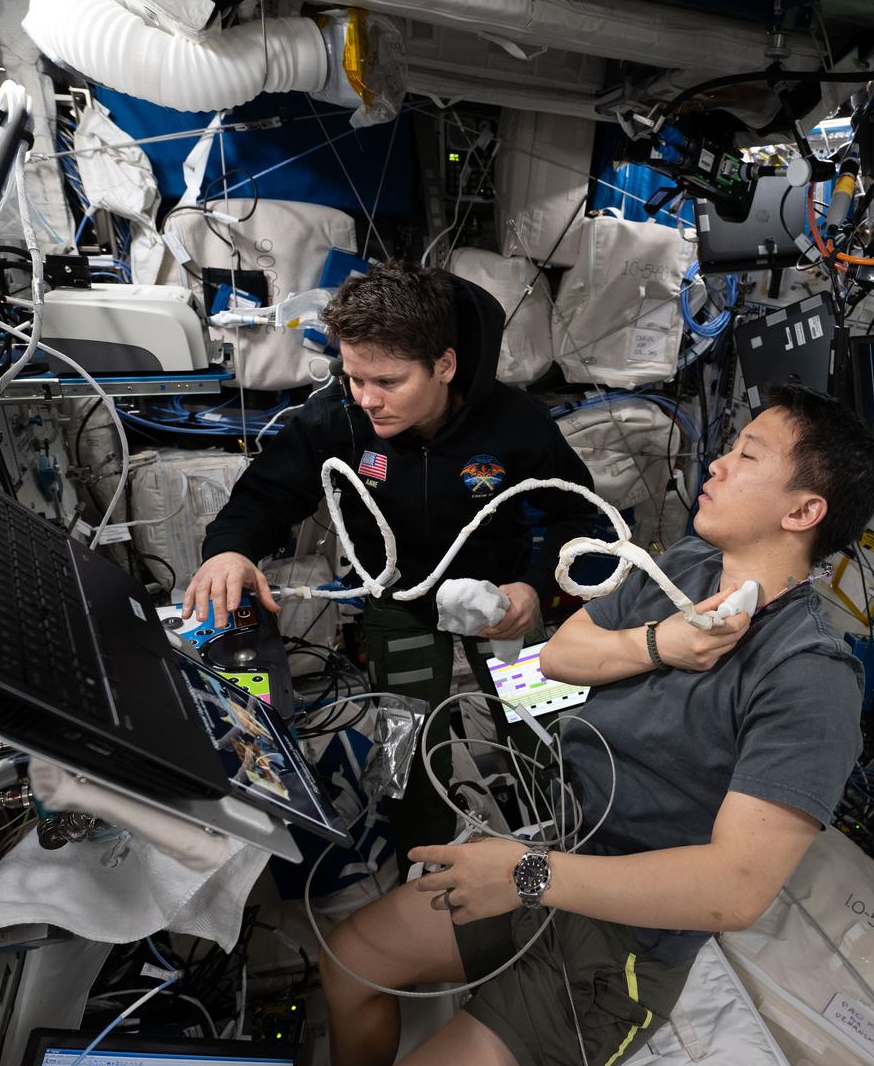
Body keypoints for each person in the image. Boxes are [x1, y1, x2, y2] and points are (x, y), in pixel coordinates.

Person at [300, 385, 874, 1066]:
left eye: (747, 454)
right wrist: (659, 644)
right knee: (350, 964)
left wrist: (525, 875)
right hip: (555, 847)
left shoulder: (809, 678)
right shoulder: (684, 567)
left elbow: (735, 890)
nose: (717, 464)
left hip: (622, 947)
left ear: (803, 511)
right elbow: (559, 656)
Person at [183, 261, 599, 854]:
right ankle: (424, 868)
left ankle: (575, 852)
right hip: (399, 606)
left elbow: (583, 518)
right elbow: (263, 496)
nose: (367, 399)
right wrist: (229, 551)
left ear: (444, 366)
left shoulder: (514, 423)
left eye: (387, 381)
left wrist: (535, 588)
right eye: (354, 377)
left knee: (547, 736)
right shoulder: (338, 418)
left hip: (504, 603)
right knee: (410, 752)